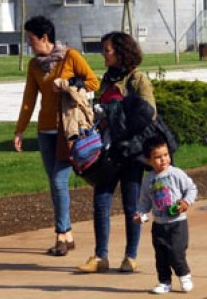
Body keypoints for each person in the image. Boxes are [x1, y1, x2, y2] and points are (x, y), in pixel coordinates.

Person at [14, 15, 100, 256]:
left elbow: (93, 82)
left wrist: (66, 82)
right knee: (54, 183)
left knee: (59, 181)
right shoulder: (34, 66)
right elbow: (28, 99)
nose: (30, 45)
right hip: (45, 130)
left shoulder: (70, 57)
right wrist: (19, 129)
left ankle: (61, 235)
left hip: (68, 131)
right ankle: (68, 234)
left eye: (32, 39)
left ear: (44, 38)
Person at [77, 31, 155, 273]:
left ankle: (130, 257)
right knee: (101, 202)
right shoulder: (107, 79)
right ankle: (101, 256)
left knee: (132, 204)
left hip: (131, 151)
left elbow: (149, 113)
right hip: (108, 150)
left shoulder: (137, 79)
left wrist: (117, 113)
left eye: (107, 51)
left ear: (121, 52)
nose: (104, 55)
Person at [134, 136, 198, 294]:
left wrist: (186, 202)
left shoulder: (176, 173)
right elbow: (144, 201)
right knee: (161, 255)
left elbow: (192, 188)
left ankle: (184, 276)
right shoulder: (148, 180)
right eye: (157, 157)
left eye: (166, 155)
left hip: (178, 222)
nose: (163, 159)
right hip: (159, 224)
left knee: (176, 251)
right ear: (149, 160)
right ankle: (164, 282)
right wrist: (140, 213)